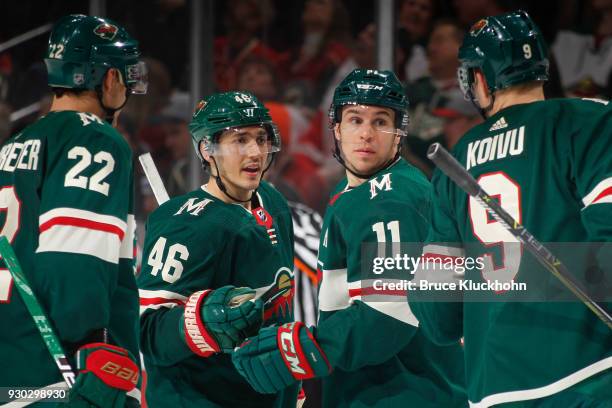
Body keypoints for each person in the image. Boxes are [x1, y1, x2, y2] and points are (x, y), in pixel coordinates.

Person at [409, 10, 612, 407]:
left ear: (480, 79)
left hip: (494, 391)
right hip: (589, 375)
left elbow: (436, 317)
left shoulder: (459, 158)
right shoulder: (587, 120)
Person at [232, 69, 467, 407]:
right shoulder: (352, 192)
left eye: (380, 121)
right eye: (356, 120)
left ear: (399, 132)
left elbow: (391, 310)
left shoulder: (392, 195)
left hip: (407, 394)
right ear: (337, 129)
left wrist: (306, 349)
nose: (367, 134)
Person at [0, 14, 147, 406]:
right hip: (58, 379)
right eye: (126, 75)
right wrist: (92, 351)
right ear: (109, 79)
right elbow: (73, 264)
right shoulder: (96, 139)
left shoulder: (14, 145)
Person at [138, 91, 300, 407]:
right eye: (240, 140)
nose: (255, 152)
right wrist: (198, 322)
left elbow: (282, 305)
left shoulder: (274, 202)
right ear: (207, 149)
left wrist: (292, 383)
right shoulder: (184, 225)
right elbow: (147, 331)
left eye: (261, 138)